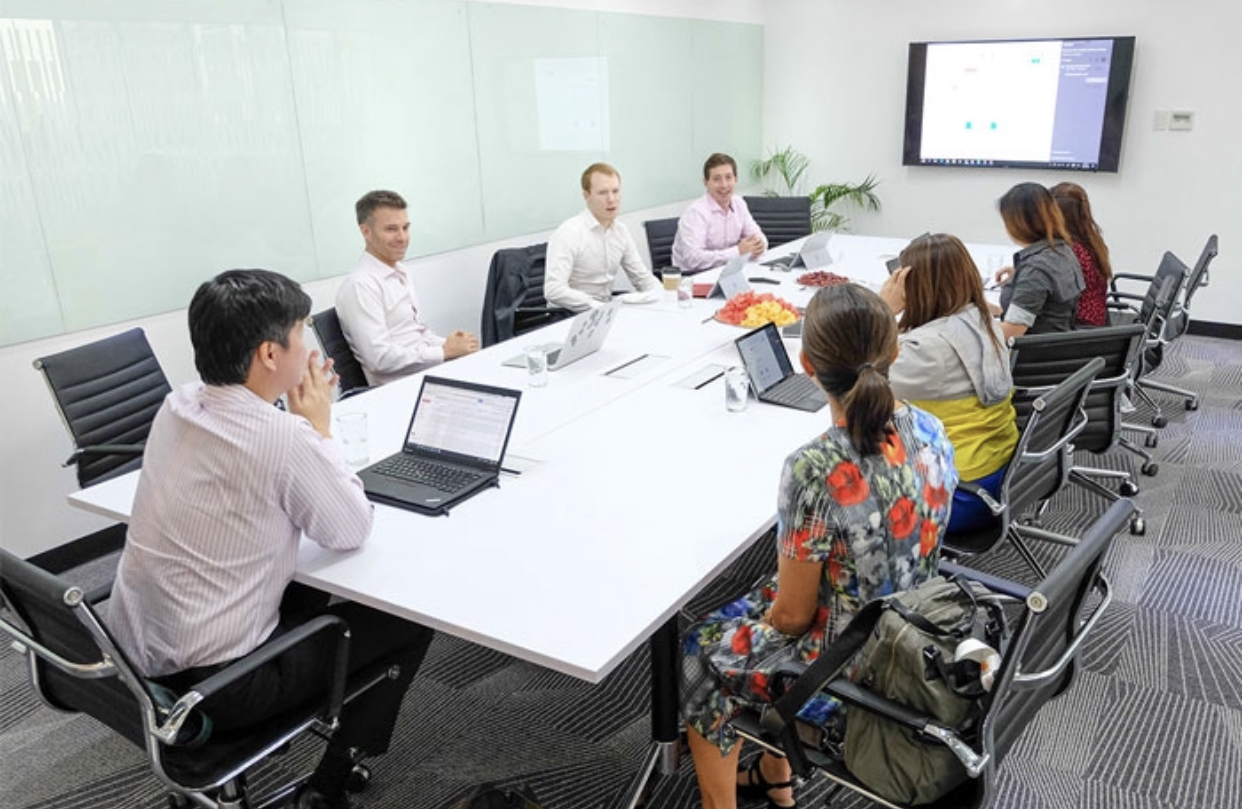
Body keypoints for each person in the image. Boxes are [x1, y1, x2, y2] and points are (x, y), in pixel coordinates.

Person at [107, 269, 432, 809]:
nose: (308, 346)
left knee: (310, 589)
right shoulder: (282, 439)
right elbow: (350, 528)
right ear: (269, 354)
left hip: (137, 651)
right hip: (221, 685)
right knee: (409, 615)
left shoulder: (179, 404)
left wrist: (297, 427)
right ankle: (330, 782)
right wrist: (318, 430)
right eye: (301, 332)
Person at [680, 283, 959, 809]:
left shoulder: (815, 467)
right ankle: (774, 775)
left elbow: (790, 618)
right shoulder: (931, 429)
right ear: (895, 351)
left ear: (806, 365)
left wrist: (759, 623)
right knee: (766, 594)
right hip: (912, 630)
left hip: (848, 668)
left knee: (698, 650)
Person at [881, 233, 1017, 533]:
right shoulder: (985, 321)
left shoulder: (927, 350)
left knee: (826, 483)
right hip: (1001, 471)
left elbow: (856, 378)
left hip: (959, 493)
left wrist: (883, 310)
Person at [336, 189, 479, 385]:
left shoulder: (401, 271)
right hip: (402, 387)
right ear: (366, 231)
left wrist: (451, 345)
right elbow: (379, 358)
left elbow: (418, 333)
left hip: (429, 373)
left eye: (405, 227)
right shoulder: (361, 286)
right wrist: (444, 352)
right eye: (391, 229)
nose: (402, 237)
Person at [543, 163, 662, 312]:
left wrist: (667, 296)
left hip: (605, 312)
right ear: (587, 195)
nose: (611, 199)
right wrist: (595, 306)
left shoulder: (620, 231)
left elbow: (642, 278)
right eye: (603, 193)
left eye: (615, 191)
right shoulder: (569, 232)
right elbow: (553, 289)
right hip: (568, 315)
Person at [992, 182, 1084, 340]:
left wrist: (970, 329)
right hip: (1055, 347)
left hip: (1028, 357)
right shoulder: (1063, 251)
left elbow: (1012, 331)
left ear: (1018, 223)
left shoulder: (1036, 270)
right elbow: (1043, 311)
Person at [671, 152, 767, 273]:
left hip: (728, 272)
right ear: (706, 182)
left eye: (728, 177)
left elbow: (758, 237)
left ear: (736, 179)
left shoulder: (739, 204)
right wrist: (737, 252)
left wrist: (759, 245)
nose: (724, 185)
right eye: (716, 179)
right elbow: (693, 259)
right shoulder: (696, 213)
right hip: (694, 278)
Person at [1051, 182, 1112, 327]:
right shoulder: (1091, 240)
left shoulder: (1069, 252)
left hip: (1077, 328)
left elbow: (1047, 293)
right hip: (1096, 321)